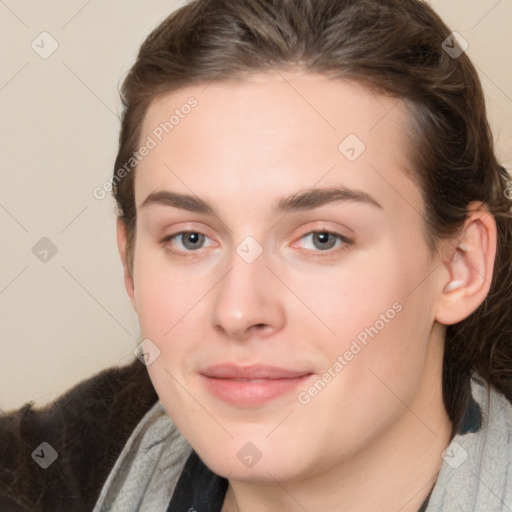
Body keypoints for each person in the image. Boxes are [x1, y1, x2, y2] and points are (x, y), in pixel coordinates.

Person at [1, 0, 511, 510]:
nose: (239, 311)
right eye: (190, 238)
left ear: (459, 265)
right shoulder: (37, 479)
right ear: (130, 260)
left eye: (321, 239)